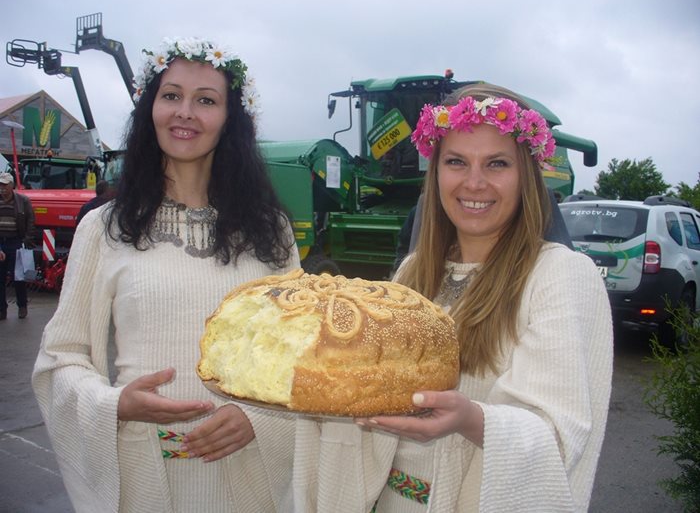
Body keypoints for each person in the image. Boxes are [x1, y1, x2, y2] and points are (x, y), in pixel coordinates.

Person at [293, 83, 613, 512]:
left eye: (497, 163)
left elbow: (560, 432)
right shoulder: (413, 272)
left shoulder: (560, 275)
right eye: (457, 162)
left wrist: (471, 419)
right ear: (436, 172)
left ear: (526, 176)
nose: (474, 183)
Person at [32, 38, 300, 512]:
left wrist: (259, 417)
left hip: (250, 483)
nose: (185, 113)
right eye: (171, 95)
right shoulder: (104, 227)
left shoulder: (269, 230)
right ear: (149, 107)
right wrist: (115, 404)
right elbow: (61, 358)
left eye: (206, 100)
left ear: (230, 119)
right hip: (144, 485)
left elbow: (304, 357)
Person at [0, 171, 35, 320]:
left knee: (18, 277)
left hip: (16, 242)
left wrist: (26, 240)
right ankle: (2, 310)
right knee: (0, 279)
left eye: (4, 186)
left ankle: (22, 305)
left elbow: (30, 221)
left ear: (12, 186)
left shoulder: (23, 201)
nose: (2, 189)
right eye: (0, 186)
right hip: (1, 243)